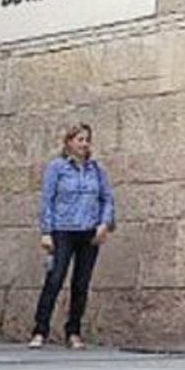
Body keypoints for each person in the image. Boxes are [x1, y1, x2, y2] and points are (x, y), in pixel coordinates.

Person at [29, 123, 115, 350]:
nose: (84, 144)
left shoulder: (97, 169)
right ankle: (40, 329)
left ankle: (74, 331)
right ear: (69, 142)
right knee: (55, 278)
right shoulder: (57, 168)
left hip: (89, 230)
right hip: (63, 229)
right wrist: (46, 231)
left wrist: (104, 224)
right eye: (80, 139)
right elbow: (47, 200)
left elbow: (107, 198)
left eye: (87, 140)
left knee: (81, 283)